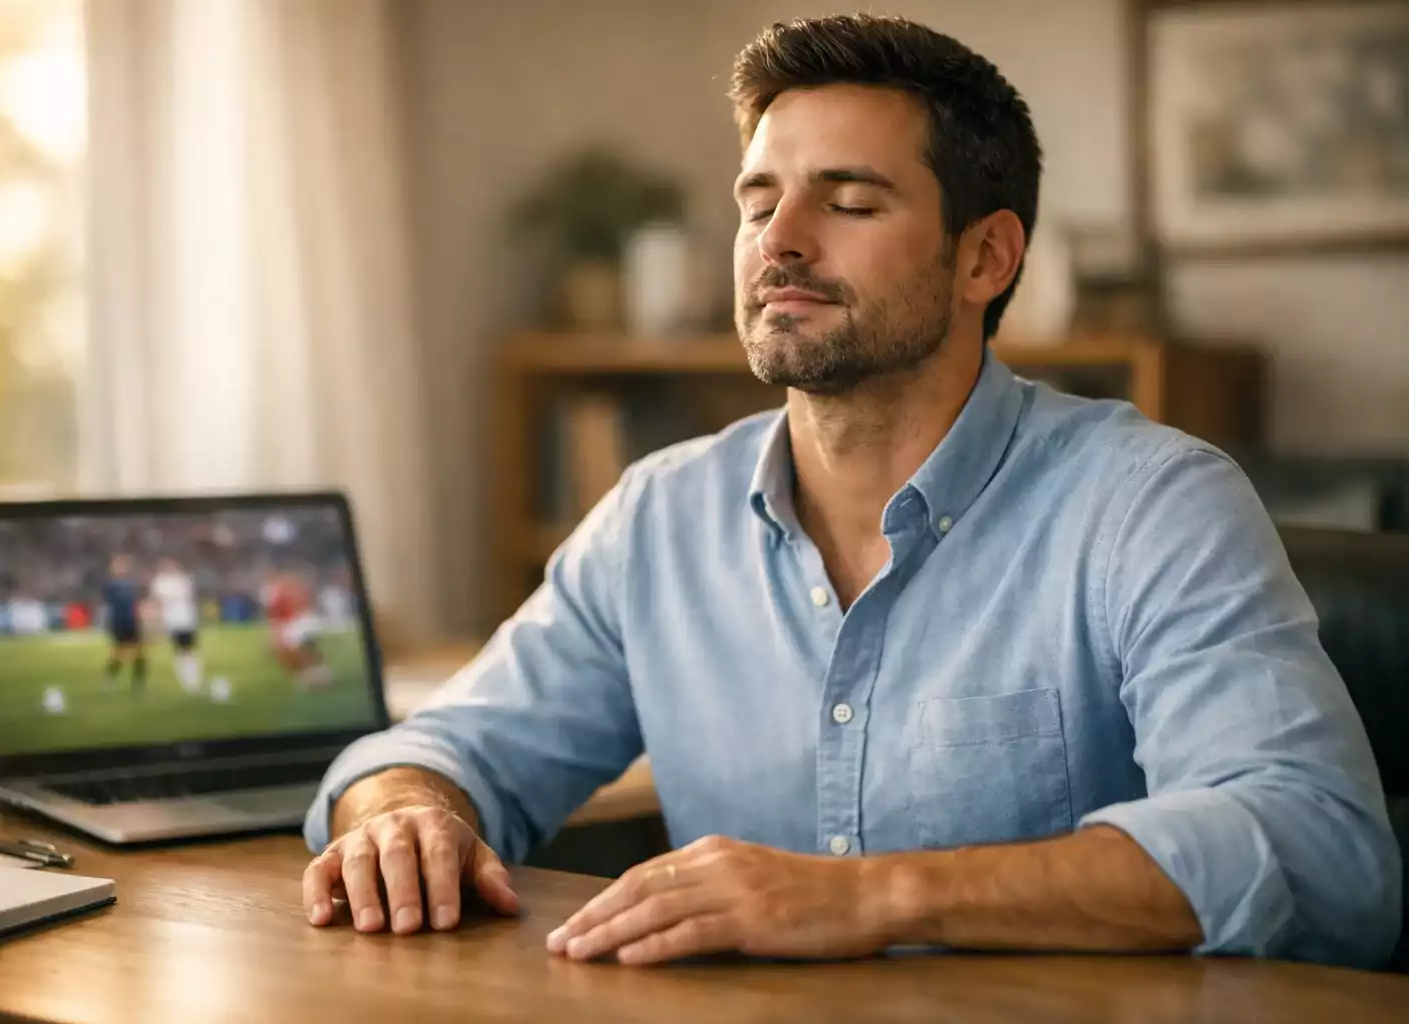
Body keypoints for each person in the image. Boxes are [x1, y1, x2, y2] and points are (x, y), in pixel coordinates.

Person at [300, 15, 1399, 968]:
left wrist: (875, 896)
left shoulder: (1152, 505)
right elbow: (441, 749)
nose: (777, 243)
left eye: (851, 202)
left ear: (987, 259)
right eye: (757, 202)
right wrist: (406, 814)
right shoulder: (660, 518)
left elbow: (1321, 852)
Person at [264, 569, 332, 689]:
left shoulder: (277, 591)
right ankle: (317, 673)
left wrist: (275, 636)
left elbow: (277, 616)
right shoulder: (291, 585)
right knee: (306, 647)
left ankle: (306, 676)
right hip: (309, 620)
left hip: (302, 621)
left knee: (286, 648)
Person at [150, 557, 203, 694]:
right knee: (180, 651)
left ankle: (194, 679)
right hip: (172, 621)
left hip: (186, 620)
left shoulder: (183, 580)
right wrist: (158, 623)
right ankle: (187, 681)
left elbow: (189, 598)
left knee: (190, 650)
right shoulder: (160, 582)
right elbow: (158, 603)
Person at [101, 554, 146, 692]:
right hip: (118, 622)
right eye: (118, 565)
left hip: (132, 622)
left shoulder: (133, 584)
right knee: (118, 654)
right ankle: (110, 679)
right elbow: (109, 602)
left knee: (139, 655)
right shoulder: (110, 584)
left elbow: (137, 602)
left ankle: (138, 684)